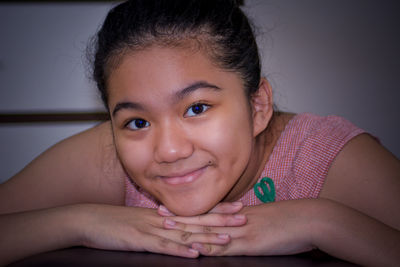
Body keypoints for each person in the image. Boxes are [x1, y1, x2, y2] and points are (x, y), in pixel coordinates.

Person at [1, 0, 399, 265]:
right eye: (137, 122)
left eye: (197, 108)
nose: (170, 150)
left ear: (257, 106)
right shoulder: (110, 157)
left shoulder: (321, 156)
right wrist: (82, 222)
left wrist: (322, 221)